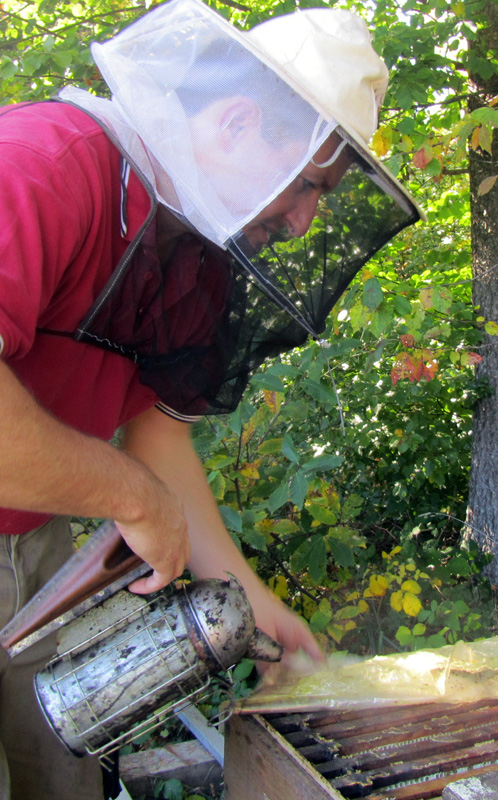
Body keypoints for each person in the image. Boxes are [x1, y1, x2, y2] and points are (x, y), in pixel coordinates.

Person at [0, 0, 421, 797]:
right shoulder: (39, 165)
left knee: (61, 772)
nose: (303, 223)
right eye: (307, 186)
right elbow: (134, 479)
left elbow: (159, 441)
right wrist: (127, 494)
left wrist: (254, 601)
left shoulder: (191, 251)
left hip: (35, 545)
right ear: (233, 124)